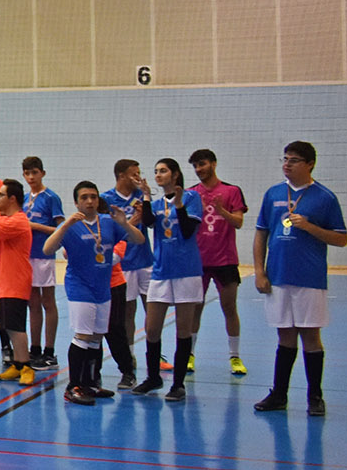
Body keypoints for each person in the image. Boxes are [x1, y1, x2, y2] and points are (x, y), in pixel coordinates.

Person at [252, 141, 347, 415]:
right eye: (285, 159)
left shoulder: (325, 198)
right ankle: (279, 394)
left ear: (309, 164)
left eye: (293, 160)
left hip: (309, 278)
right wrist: (259, 271)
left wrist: (309, 226)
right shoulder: (272, 194)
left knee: (310, 335)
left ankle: (315, 397)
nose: (287, 164)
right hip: (278, 277)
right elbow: (261, 234)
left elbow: (342, 239)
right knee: (284, 336)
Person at [43, 182, 147, 405]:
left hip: (103, 288)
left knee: (97, 337)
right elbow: (48, 249)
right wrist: (64, 225)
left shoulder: (108, 223)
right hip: (80, 287)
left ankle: (90, 384)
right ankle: (73, 387)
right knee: (83, 335)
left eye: (93, 196)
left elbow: (139, 239)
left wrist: (124, 223)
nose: (90, 201)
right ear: (77, 202)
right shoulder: (72, 225)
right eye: (84, 197)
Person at [134, 159, 205, 398]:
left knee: (183, 330)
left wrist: (180, 202)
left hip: (186, 271)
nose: (158, 174)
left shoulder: (192, 198)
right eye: (155, 171)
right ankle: (153, 377)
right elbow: (148, 223)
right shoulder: (155, 203)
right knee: (152, 329)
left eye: (163, 170)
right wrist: (145, 197)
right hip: (161, 271)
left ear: (175, 175)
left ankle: (178, 384)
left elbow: (187, 230)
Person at [190, 149, 249, 376]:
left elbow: (239, 223)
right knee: (195, 309)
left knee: (229, 308)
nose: (199, 169)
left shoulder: (231, 191)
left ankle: (235, 357)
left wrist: (222, 210)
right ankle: (189, 355)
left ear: (213, 164)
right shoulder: (191, 193)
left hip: (225, 260)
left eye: (202, 164)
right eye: (195, 166)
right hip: (198, 260)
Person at [0, 180, 37, 386]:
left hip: (15, 282)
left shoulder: (18, 221)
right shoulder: (4, 220)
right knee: (8, 326)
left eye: (1, 195)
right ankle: (18, 365)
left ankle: (26, 365)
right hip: (2, 282)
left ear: (12, 199)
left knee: (17, 327)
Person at [100, 160, 154, 388]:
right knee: (126, 314)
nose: (138, 178)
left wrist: (148, 201)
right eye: (134, 174)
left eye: (139, 174)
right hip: (123, 263)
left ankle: (155, 352)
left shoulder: (142, 196)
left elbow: (152, 223)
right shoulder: (107, 199)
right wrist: (134, 220)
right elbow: (115, 231)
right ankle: (129, 358)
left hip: (145, 259)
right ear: (121, 176)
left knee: (152, 307)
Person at [21, 157, 64, 369]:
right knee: (33, 303)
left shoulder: (51, 197)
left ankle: (50, 351)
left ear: (42, 173)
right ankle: (35, 349)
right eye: (27, 174)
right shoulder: (22, 198)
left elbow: (60, 229)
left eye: (34, 173)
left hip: (44, 256)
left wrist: (35, 226)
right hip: (26, 256)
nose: (31, 177)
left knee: (48, 302)